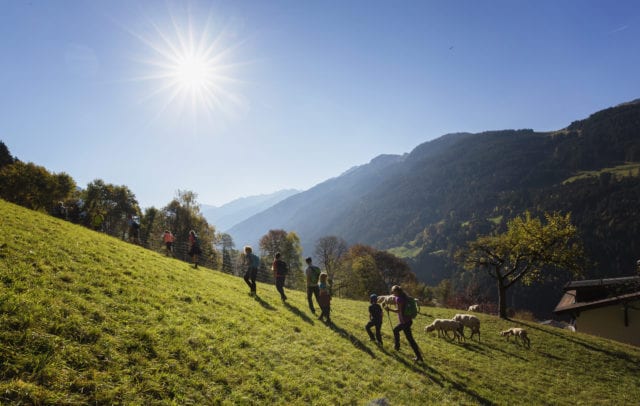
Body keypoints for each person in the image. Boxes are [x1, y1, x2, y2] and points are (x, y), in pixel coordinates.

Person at [385, 285, 423, 362]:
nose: (392, 292)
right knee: (406, 336)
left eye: (393, 291)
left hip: (404, 322)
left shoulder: (399, 299)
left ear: (397, 291)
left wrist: (389, 309)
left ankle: (398, 347)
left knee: (405, 336)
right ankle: (418, 356)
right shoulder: (404, 297)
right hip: (408, 321)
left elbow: (399, 311)